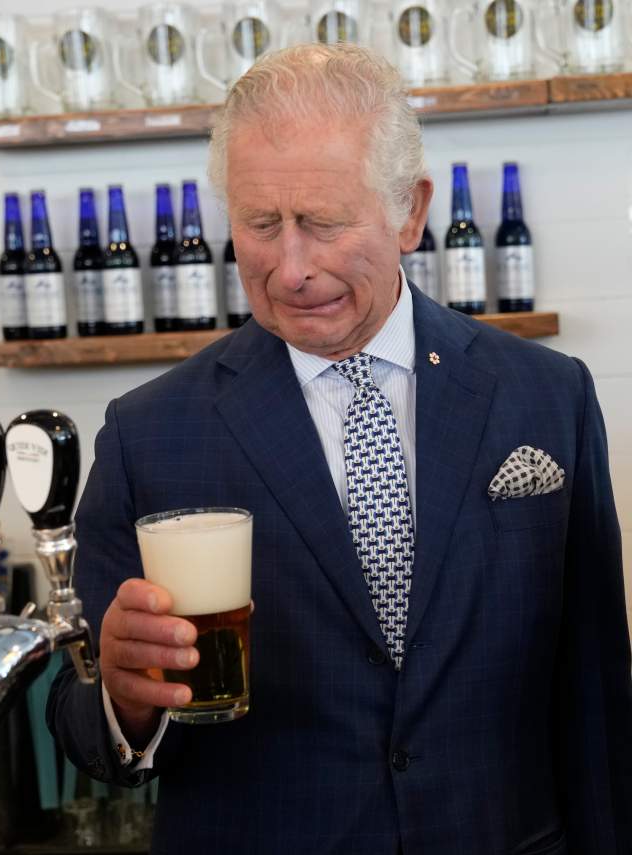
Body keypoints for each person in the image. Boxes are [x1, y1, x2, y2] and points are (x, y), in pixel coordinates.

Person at [47, 44, 632, 854]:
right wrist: (124, 698)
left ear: (410, 212)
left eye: (323, 223)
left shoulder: (546, 397)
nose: (291, 268)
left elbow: (597, 696)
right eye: (261, 225)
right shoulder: (149, 433)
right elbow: (80, 724)